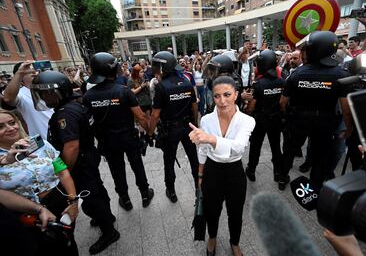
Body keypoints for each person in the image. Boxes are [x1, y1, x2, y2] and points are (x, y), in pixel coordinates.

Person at [31, 70, 120, 254]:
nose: (44, 97)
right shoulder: (76, 104)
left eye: (46, 93)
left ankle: (109, 232)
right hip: (88, 158)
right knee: (97, 190)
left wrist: (63, 172)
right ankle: (106, 217)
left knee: (90, 198)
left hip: (79, 163)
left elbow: (71, 147)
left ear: (58, 91)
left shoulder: (65, 114)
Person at [189, 76, 255, 256]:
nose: (222, 100)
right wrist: (200, 175)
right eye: (217, 96)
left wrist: (209, 138)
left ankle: (235, 242)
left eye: (227, 94)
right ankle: (212, 237)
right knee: (212, 210)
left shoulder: (247, 121)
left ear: (236, 95)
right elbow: (202, 150)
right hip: (212, 170)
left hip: (234, 171)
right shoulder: (207, 120)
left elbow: (238, 147)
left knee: (235, 213)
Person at [279, 31, 353, 191]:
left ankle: (283, 177)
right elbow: (346, 108)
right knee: (320, 156)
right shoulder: (341, 74)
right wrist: (349, 128)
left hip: (298, 120)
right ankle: (315, 187)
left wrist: (286, 117)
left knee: (290, 151)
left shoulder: (297, 74)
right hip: (325, 123)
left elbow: (283, 102)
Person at [0, 109, 79, 255]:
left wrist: (73, 201)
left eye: (12, 123)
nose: (10, 128)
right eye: (1, 127)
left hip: (58, 201)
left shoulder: (39, 143)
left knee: (68, 242)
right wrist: (5, 161)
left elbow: (62, 171)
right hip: (25, 213)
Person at [83, 52, 154, 211]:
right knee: (137, 165)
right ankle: (144, 194)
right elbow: (141, 117)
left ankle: (125, 199)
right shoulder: (124, 91)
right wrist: (149, 133)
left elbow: (88, 124)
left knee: (117, 171)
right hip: (128, 137)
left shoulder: (88, 96)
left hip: (107, 141)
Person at [148, 51, 199, 203]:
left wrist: (150, 132)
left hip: (170, 130)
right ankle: (199, 187)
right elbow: (194, 106)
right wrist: (194, 124)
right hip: (187, 126)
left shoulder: (161, 87)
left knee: (169, 161)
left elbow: (155, 114)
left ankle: (171, 191)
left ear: (163, 68)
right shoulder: (186, 82)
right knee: (193, 159)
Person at [245, 50, 285, 182]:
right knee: (276, 147)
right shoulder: (281, 81)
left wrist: (247, 114)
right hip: (275, 119)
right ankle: (277, 173)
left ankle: (251, 171)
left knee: (255, 147)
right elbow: (283, 102)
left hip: (260, 120)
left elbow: (251, 106)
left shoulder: (258, 84)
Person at [2, 61, 53, 140]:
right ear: (19, 77)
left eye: (34, 69)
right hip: (46, 141)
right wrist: (20, 72)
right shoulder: (20, 94)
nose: (33, 72)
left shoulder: (50, 88)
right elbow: (8, 99)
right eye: (27, 71)